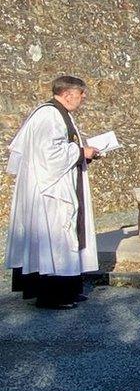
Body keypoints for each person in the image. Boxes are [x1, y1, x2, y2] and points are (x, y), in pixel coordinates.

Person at [5, 76, 100, 309]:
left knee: (65, 236)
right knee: (55, 237)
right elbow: (49, 154)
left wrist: (83, 153)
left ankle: (68, 290)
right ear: (68, 94)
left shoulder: (59, 113)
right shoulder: (49, 116)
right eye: (81, 94)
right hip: (50, 191)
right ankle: (51, 296)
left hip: (57, 183)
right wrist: (81, 152)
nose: (84, 98)